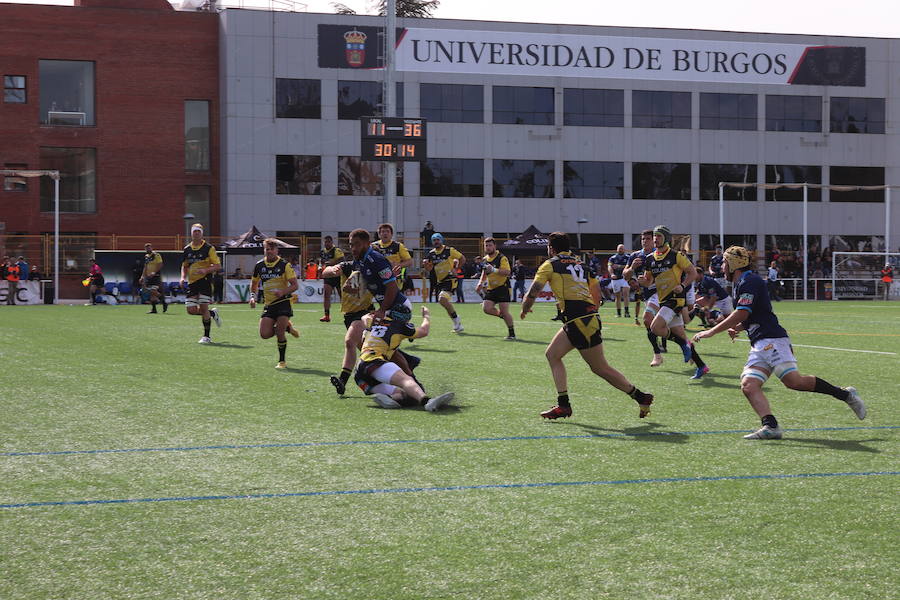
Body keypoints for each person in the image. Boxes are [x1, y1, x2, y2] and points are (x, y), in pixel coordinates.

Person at [692, 246, 866, 440]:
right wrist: (739, 328)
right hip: (760, 342)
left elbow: (743, 312)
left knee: (794, 382)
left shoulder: (750, 281)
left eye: (724, 262)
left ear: (734, 264)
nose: (721, 267)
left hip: (772, 340)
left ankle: (846, 395)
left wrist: (711, 331)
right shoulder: (742, 282)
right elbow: (754, 314)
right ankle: (771, 426)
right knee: (749, 384)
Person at [521, 232, 654, 420]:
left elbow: (534, 290)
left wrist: (525, 308)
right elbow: (596, 291)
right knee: (553, 355)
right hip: (584, 318)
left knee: (600, 368)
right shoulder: (580, 264)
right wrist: (592, 311)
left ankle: (641, 397)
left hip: (578, 320)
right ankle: (563, 405)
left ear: (551, 248)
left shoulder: (550, 264)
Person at [638, 225, 709, 379]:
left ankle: (683, 346)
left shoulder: (676, 256)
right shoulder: (650, 259)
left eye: (659, 236)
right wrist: (642, 281)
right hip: (664, 300)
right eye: (655, 236)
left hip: (676, 299)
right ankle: (702, 366)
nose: (656, 239)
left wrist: (682, 285)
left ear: (666, 239)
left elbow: (693, 272)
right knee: (681, 336)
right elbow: (648, 281)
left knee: (655, 327)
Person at [353, 306, 454, 411]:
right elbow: (424, 331)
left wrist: (372, 318)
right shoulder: (400, 326)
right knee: (406, 380)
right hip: (374, 361)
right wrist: (426, 316)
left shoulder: (374, 320)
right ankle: (427, 401)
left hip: (359, 373)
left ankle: (389, 398)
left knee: (402, 393)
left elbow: (364, 317)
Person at [249, 238, 300, 369]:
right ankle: (288, 327)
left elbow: (295, 285)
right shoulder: (259, 265)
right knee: (264, 334)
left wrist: (283, 291)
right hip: (269, 304)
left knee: (280, 331)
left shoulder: (284, 265)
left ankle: (282, 361)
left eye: (272, 249)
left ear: (277, 250)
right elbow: (254, 283)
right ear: (264, 250)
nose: (269, 251)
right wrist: (253, 297)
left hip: (283, 302)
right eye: (267, 249)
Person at [623, 229, 667, 367]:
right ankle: (687, 348)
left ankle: (657, 354)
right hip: (647, 294)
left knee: (647, 319)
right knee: (668, 328)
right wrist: (631, 268)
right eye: (643, 239)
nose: (645, 241)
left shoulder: (660, 255)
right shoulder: (635, 256)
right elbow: (625, 275)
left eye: (648, 239)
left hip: (662, 292)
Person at [180, 223, 222, 344]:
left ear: (202, 233)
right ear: (191, 233)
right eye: (194, 231)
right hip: (192, 282)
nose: (196, 233)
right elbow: (184, 266)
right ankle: (212, 313)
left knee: (204, 308)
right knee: (191, 310)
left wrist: (206, 270)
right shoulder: (187, 249)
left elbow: (218, 266)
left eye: (198, 231)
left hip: (205, 281)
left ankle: (206, 336)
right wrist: (182, 277)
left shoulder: (209, 248)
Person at [422, 233, 466, 332]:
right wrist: (425, 265)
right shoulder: (431, 253)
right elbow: (430, 269)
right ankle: (456, 320)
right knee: (443, 301)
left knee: (442, 298)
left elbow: (462, 258)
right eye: (434, 240)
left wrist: (456, 268)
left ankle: (456, 320)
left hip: (450, 279)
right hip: (440, 281)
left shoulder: (449, 250)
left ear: (441, 240)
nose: (436, 242)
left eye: (438, 239)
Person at [475, 237, 516, 340]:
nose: (488, 248)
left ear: (494, 246)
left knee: (505, 311)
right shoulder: (484, 259)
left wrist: (493, 269)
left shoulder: (502, 257)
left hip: (503, 287)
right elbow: (484, 272)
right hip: (491, 288)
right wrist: (480, 282)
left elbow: (507, 272)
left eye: (490, 245)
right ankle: (501, 315)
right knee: (486, 308)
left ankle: (512, 334)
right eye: (486, 246)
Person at [371, 222, 413, 288]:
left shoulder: (398, 246)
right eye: (382, 232)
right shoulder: (373, 246)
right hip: (378, 279)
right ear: (379, 235)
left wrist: (398, 265)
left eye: (387, 231)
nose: (385, 233)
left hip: (395, 280)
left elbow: (409, 262)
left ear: (391, 234)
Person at [318, 235, 344, 322]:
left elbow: (342, 260)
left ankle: (347, 313)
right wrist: (320, 267)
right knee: (326, 295)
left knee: (342, 296)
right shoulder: (322, 252)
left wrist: (331, 263)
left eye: (328, 242)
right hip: (328, 276)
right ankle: (327, 315)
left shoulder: (336, 250)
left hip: (337, 275)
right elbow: (321, 262)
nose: (326, 243)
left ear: (332, 242)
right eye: (325, 242)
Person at [140, 243, 168, 314]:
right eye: (146, 248)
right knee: (151, 293)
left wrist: (154, 272)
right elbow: (145, 267)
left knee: (153, 291)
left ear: (152, 248)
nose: (147, 249)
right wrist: (142, 276)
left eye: (149, 248)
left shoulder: (156, 255)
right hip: (148, 276)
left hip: (156, 276)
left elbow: (160, 264)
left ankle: (164, 302)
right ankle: (154, 309)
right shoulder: (146, 256)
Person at [607, 244, 631, 318]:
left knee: (625, 294)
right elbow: (609, 266)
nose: (620, 250)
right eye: (619, 248)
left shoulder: (628, 257)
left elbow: (630, 266)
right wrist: (611, 274)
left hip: (625, 278)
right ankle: (618, 313)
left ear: (624, 249)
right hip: (616, 279)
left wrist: (619, 266)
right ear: (617, 249)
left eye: (622, 248)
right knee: (618, 296)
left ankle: (626, 312)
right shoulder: (612, 258)